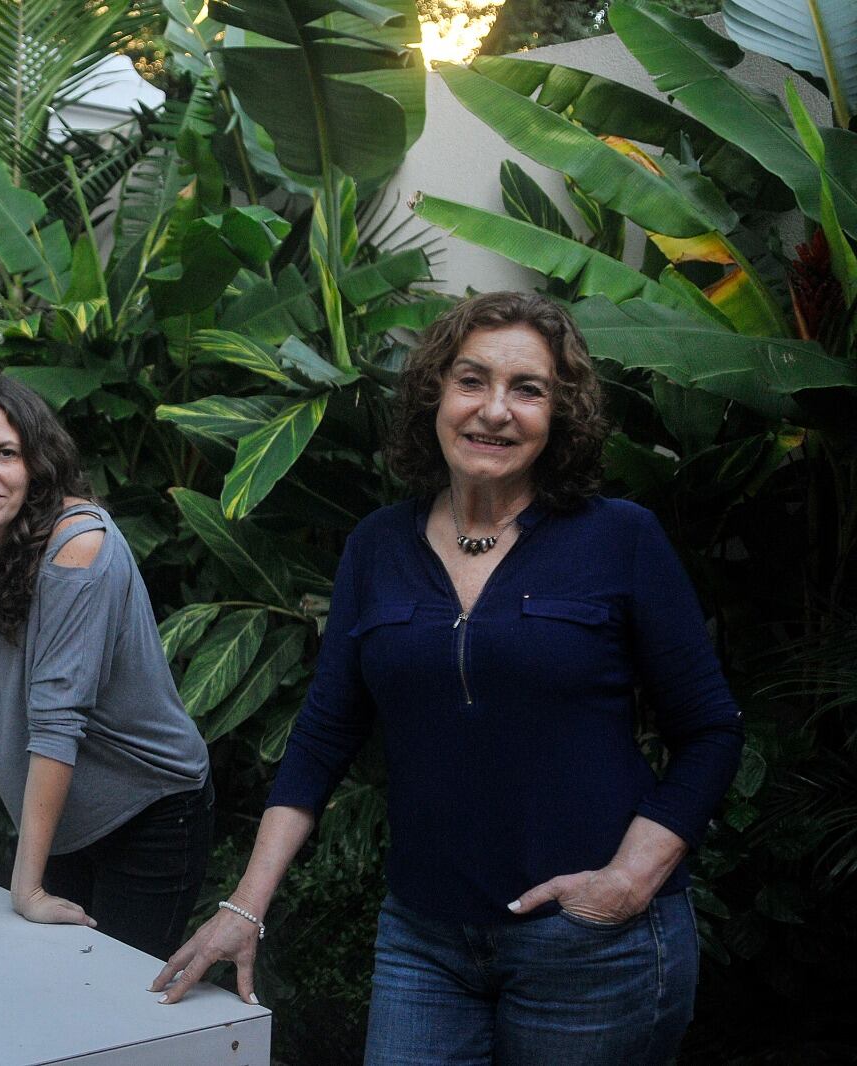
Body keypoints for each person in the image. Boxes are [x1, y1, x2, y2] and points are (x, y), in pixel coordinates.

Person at [153, 292, 744, 1064]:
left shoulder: (619, 539)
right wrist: (245, 905)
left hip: (593, 948)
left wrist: (629, 881)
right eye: (473, 381)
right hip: (424, 942)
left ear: (559, 414)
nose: (495, 411)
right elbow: (324, 736)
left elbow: (709, 729)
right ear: (436, 393)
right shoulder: (376, 546)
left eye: (527, 390)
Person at [0, 374, 212, 960]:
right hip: (60, 818)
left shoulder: (77, 547)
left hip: (149, 812)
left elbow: (58, 720)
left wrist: (27, 887)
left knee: (113, 1007)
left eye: (5, 453)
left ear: (36, 464)